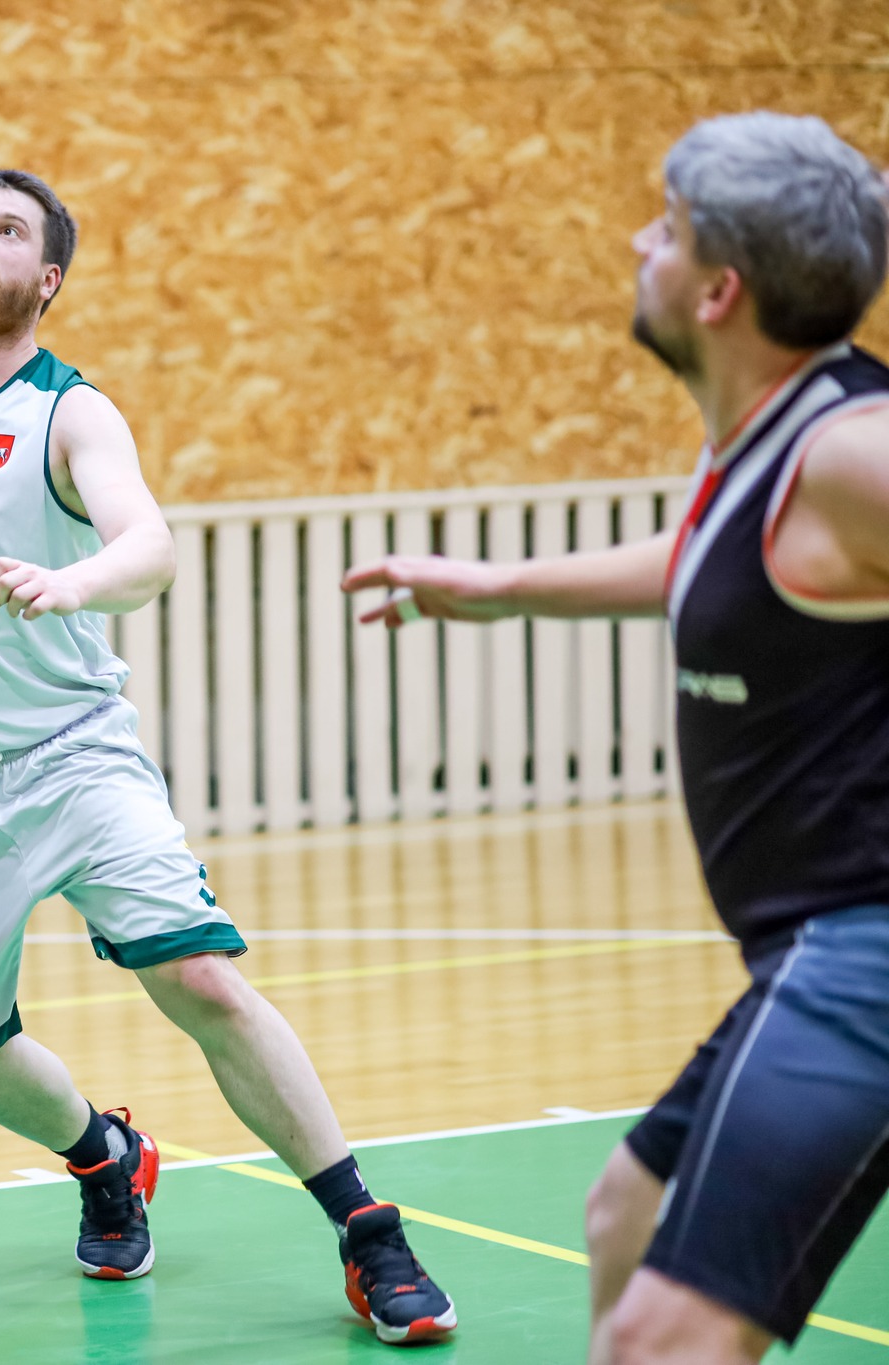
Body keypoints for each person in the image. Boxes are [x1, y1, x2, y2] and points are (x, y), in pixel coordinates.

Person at [0, 170, 456, 1346]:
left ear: (46, 279)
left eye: (6, 231)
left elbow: (146, 545)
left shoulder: (69, 412)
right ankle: (102, 1155)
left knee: (198, 977)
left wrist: (73, 584)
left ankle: (366, 1229)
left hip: (70, 756)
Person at [344, 113, 889, 1365]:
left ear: (717, 288)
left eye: (666, 227)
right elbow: (714, 558)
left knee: (661, 1334)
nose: (639, 243)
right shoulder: (774, 441)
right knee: (622, 1218)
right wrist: (497, 588)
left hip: (860, 954)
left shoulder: (852, 452)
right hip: (804, 952)